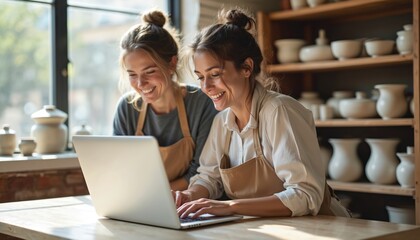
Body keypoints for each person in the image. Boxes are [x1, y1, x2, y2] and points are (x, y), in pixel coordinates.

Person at [175, 8, 350, 218]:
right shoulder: (222, 122)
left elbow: (305, 195)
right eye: (200, 77)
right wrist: (189, 195)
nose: (206, 86)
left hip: (322, 228)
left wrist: (231, 207)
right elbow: (209, 178)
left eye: (214, 74)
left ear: (247, 67)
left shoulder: (280, 111)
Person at [113, 10, 218, 191]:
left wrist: (158, 195)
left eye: (149, 72)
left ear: (171, 63)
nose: (140, 83)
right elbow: (122, 170)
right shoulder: (127, 109)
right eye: (132, 74)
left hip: (189, 202)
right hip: (142, 202)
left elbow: (201, 172)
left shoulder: (202, 103)